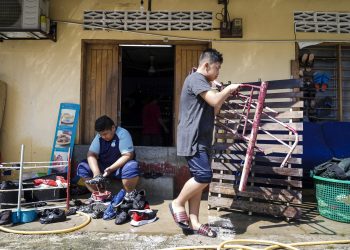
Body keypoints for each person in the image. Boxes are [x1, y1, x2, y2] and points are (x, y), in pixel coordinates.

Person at [169, 48, 241, 237]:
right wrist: (228, 89)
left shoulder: (203, 83)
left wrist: (221, 91)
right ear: (206, 65)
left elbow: (214, 107)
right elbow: (216, 99)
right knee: (203, 176)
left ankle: (194, 222)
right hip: (193, 139)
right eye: (217, 68)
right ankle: (177, 203)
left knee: (199, 182)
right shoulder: (196, 79)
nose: (218, 73)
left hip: (201, 139)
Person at [77, 115, 139, 201]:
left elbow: (128, 155)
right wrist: (96, 173)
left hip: (119, 168)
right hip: (103, 166)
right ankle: (99, 195)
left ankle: (128, 195)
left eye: (105, 134)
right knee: (83, 166)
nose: (103, 136)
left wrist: (111, 169)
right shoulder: (99, 136)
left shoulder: (122, 133)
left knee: (132, 166)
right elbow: (91, 154)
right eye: (100, 134)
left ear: (113, 128)